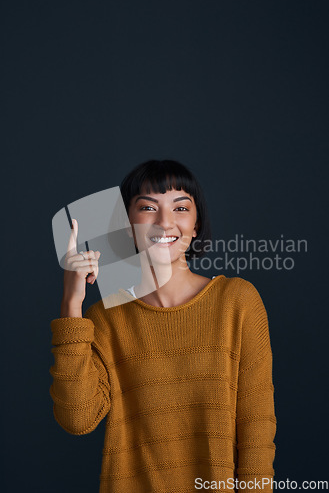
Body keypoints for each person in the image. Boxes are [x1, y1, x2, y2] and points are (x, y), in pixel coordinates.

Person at [50, 159, 276, 493]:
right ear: (128, 227)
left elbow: (257, 432)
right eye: (148, 207)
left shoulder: (237, 301)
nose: (165, 222)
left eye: (181, 207)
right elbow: (77, 419)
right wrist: (72, 304)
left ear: (196, 224)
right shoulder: (104, 320)